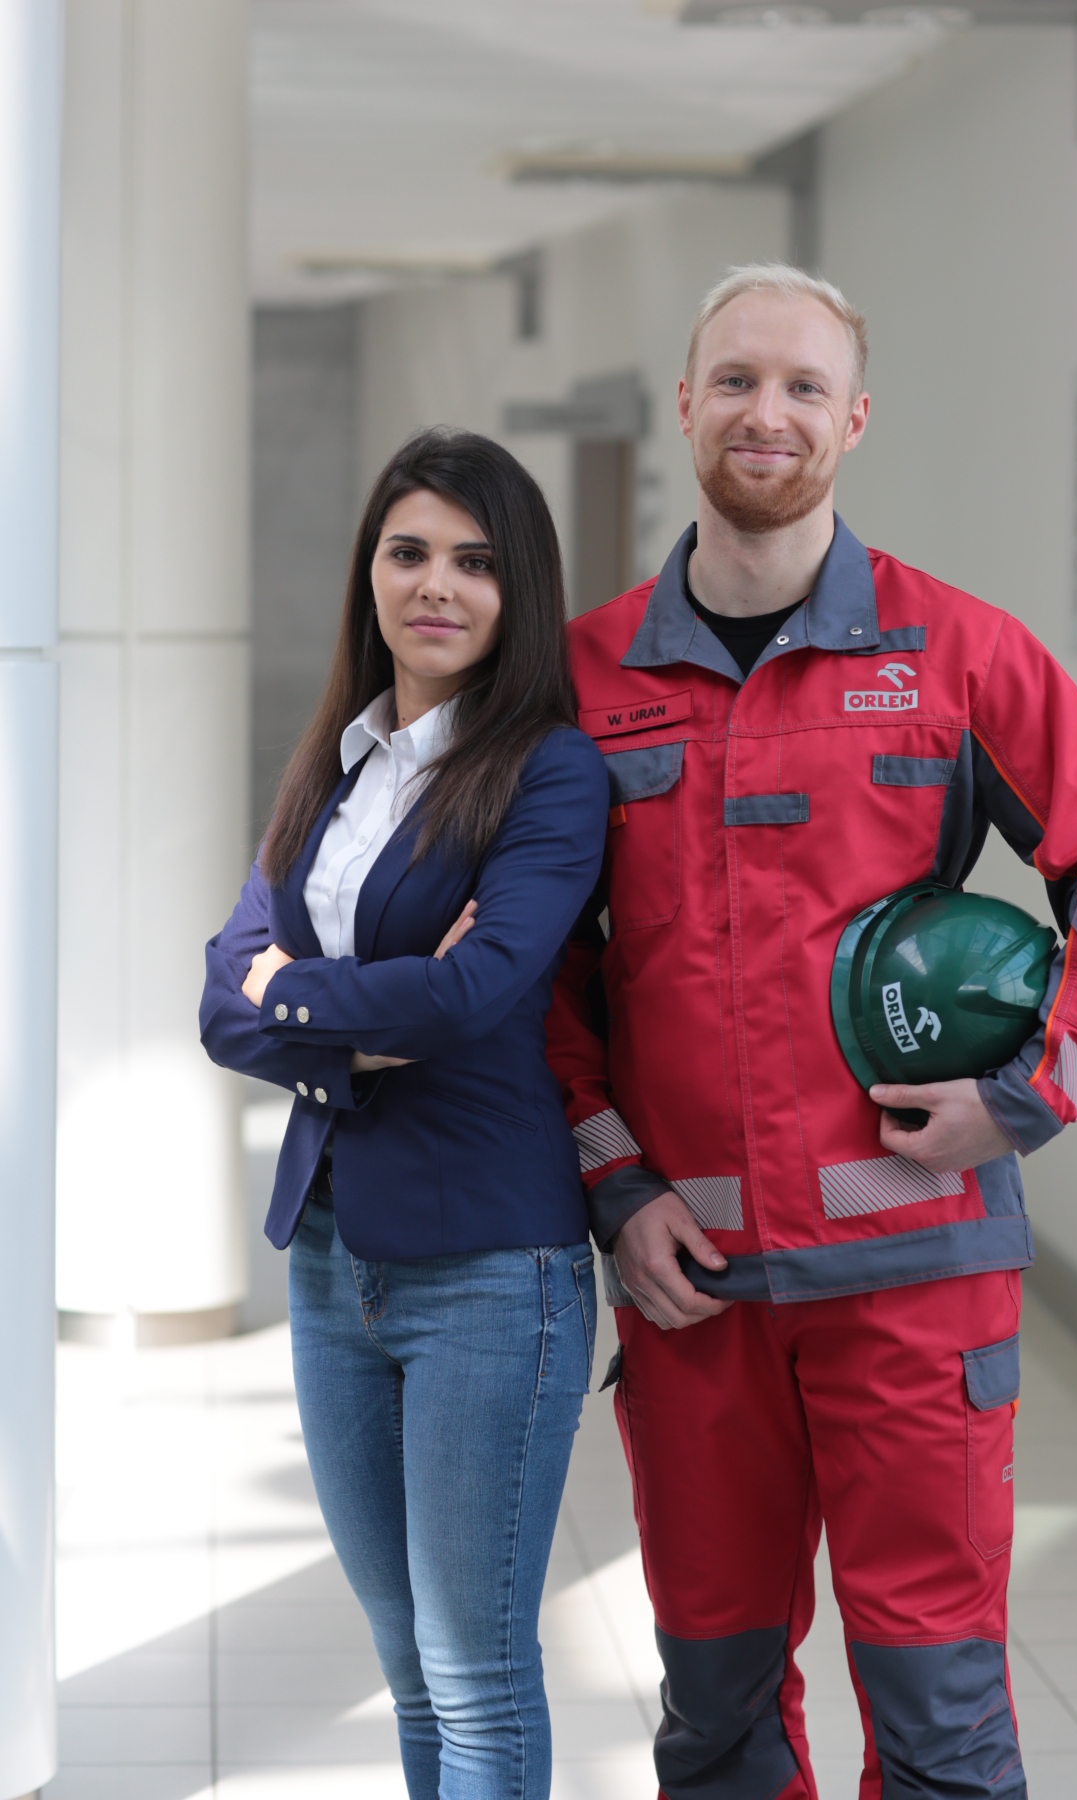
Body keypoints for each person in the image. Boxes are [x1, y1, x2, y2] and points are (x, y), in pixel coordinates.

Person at [546, 264, 1077, 1800]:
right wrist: (615, 1187)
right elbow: (546, 984)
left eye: (798, 386)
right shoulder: (584, 683)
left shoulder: (959, 658)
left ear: (853, 418)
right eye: (733, 380)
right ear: (686, 405)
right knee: (712, 1723)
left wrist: (1028, 1095)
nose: (763, 412)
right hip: (693, 1295)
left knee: (942, 1727)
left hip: (918, 1294)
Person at [200, 428, 609, 1800]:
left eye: (477, 562)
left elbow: (482, 995)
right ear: (370, 570)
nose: (438, 586)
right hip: (333, 1255)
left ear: (521, 590)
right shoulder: (338, 758)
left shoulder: (548, 770)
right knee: (405, 1655)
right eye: (410, 552)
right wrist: (362, 1016)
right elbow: (220, 997)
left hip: (493, 1272)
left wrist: (297, 999)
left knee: (477, 1669)